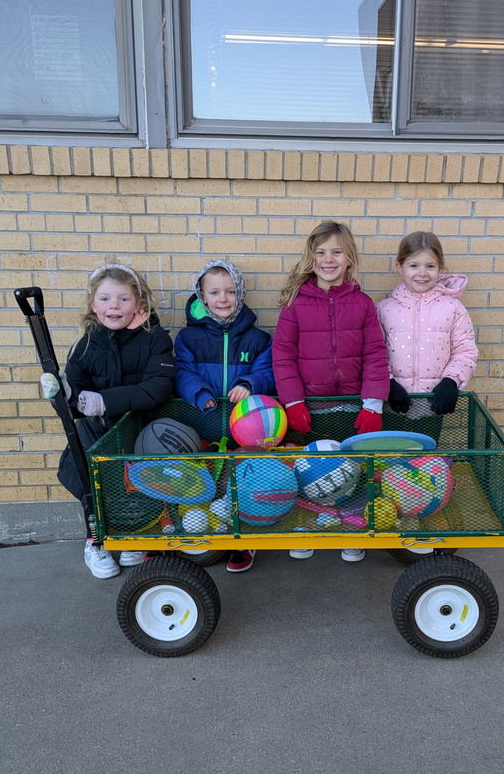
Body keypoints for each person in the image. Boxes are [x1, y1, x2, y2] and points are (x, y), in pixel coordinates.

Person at [46, 264, 175, 579]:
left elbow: (158, 387)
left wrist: (105, 400)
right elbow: (76, 400)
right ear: (93, 305)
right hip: (97, 432)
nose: (113, 306)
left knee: (136, 485)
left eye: (122, 299)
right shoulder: (85, 345)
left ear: (138, 303)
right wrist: (64, 395)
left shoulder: (154, 339)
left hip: (137, 427)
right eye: (104, 299)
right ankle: (97, 542)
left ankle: (134, 536)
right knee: (94, 486)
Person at [272, 220, 389, 563]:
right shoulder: (295, 303)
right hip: (311, 407)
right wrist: (292, 402)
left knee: (351, 471)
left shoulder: (363, 304)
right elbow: (282, 355)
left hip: (353, 408)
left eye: (336, 252)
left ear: (349, 257)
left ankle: (350, 528)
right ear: (311, 258)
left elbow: (375, 355)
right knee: (310, 472)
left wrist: (373, 405)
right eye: (321, 252)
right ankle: (308, 524)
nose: (328, 259)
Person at [174, 259, 275, 573]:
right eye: (214, 292)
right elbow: (182, 373)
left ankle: (244, 541)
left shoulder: (257, 339)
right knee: (202, 483)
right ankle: (200, 537)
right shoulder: (189, 338)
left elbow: (268, 372)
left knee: (241, 482)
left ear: (240, 294)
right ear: (202, 297)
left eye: (230, 291)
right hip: (203, 421)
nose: (223, 299)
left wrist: (249, 384)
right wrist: (199, 393)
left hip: (242, 430)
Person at [377, 231, 478, 440]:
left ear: (440, 267)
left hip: (432, 405)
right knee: (390, 465)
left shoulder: (453, 308)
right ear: (399, 267)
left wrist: (451, 381)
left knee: (424, 465)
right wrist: (388, 382)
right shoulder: (384, 309)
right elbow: (373, 353)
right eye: (414, 265)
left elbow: (465, 351)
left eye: (430, 266)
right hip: (392, 404)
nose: (422, 273)